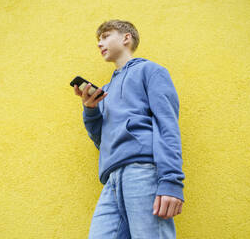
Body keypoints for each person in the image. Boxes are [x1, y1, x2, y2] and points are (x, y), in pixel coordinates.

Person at [73, 19, 185, 239]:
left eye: (105, 36)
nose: (99, 44)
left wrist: (171, 181)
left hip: (142, 172)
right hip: (111, 179)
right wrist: (91, 110)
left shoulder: (150, 71)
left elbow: (167, 125)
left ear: (126, 38)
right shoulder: (104, 91)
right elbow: (101, 140)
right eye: (98, 40)